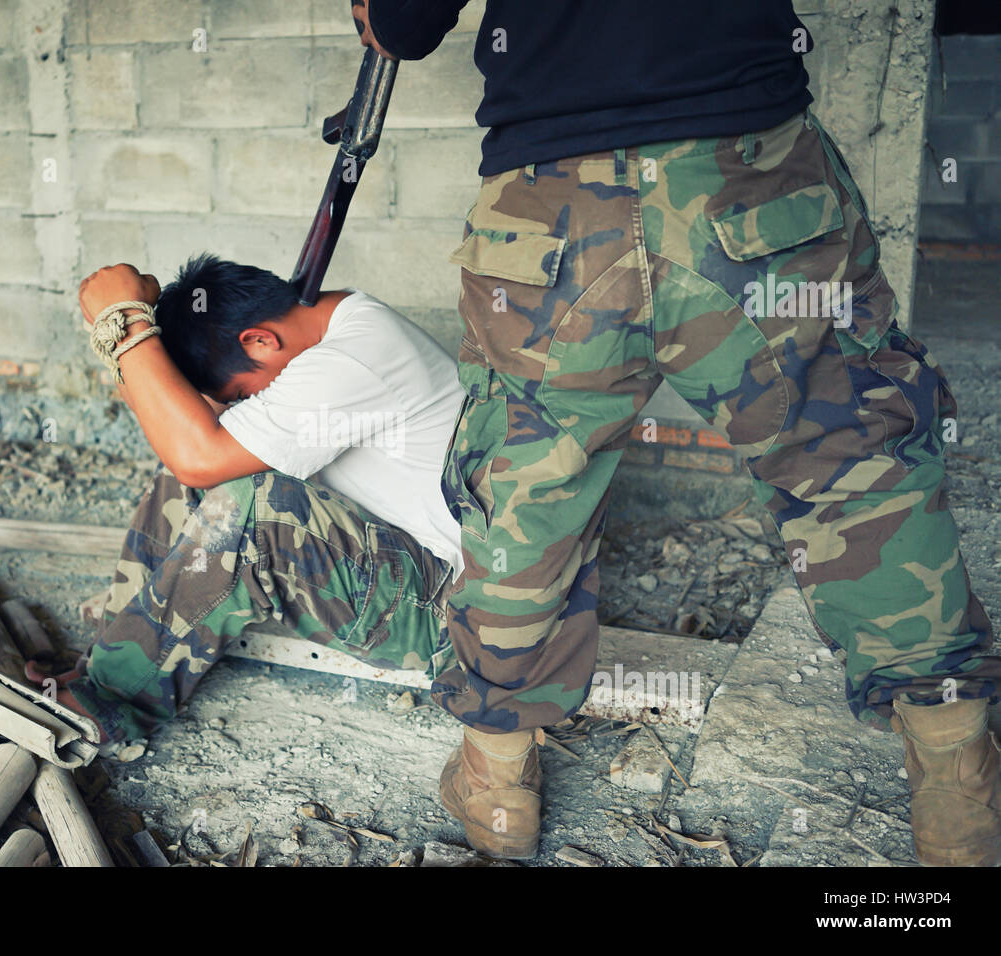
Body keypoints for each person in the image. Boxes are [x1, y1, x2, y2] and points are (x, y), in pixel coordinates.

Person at [353, 0, 1001, 864]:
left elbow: (404, 24)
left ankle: (498, 779)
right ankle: (957, 782)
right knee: (853, 460)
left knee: (528, 493)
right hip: (748, 178)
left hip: (550, 215)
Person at [53, 253, 464, 772]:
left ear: (259, 340)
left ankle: (117, 701)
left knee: (252, 505)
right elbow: (189, 449)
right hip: (396, 565)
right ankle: (113, 662)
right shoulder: (331, 334)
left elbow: (201, 455)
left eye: (246, 393)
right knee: (188, 474)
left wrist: (126, 325)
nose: (248, 403)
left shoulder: (355, 359)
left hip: (443, 614)